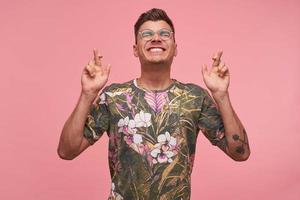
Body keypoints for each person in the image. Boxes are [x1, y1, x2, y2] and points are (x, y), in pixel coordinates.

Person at [57, 8, 250, 200]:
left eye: (164, 34)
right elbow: (67, 151)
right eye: (146, 34)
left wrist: (221, 95)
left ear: (175, 48)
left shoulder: (195, 97)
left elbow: (240, 153)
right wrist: (87, 94)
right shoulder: (114, 96)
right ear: (135, 49)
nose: (156, 38)